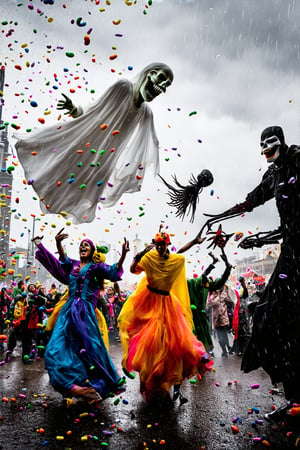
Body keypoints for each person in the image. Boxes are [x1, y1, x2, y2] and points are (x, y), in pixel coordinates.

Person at [201, 125, 300, 422]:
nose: (265, 153)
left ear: (280, 143)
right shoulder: (274, 175)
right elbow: (252, 200)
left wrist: (266, 238)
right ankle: (295, 396)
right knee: (272, 322)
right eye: (262, 149)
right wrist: (221, 215)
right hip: (291, 254)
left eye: (269, 146)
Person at [15, 63, 173, 224]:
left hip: (103, 161)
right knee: (58, 172)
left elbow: (150, 143)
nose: (163, 86)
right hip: (85, 144)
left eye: (167, 85)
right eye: (161, 78)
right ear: (150, 74)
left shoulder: (145, 113)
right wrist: (74, 109)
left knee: (79, 193)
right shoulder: (124, 88)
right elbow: (94, 109)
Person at [32, 228, 130, 404]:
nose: (83, 247)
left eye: (87, 245)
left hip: (84, 315)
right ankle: (77, 388)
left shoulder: (97, 267)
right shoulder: (74, 265)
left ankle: (91, 387)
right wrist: (55, 244)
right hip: (67, 312)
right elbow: (60, 262)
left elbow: (114, 271)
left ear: (93, 251)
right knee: (54, 350)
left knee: (88, 352)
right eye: (81, 245)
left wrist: (123, 255)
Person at [118, 230, 213, 406]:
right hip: (148, 303)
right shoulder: (149, 258)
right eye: (158, 244)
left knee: (171, 342)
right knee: (146, 342)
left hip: (168, 304)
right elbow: (133, 270)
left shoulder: (175, 260)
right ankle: (147, 380)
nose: (161, 247)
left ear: (167, 244)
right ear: (155, 244)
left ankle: (167, 380)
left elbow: (180, 253)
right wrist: (141, 253)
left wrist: (194, 241)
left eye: (164, 244)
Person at [187, 250, 232, 356]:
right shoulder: (192, 283)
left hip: (202, 317)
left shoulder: (207, 285)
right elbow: (202, 276)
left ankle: (205, 353)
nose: (206, 283)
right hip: (191, 316)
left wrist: (228, 268)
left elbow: (220, 282)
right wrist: (213, 264)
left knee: (205, 335)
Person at [207, 284, 234, 357]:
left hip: (223, 319)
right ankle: (224, 350)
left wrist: (225, 308)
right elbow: (209, 304)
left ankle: (226, 349)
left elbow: (231, 302)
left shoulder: (223, 295)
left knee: (223, 335)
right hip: (216, 320)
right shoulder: (212, 297)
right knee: (220, 336)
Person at [230, 277, 251, 356]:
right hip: (237, 317)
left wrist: (243, 284)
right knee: (238, 333)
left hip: (242, 316)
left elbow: (245, 294)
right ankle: (239, 349)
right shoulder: (234, 300)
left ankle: (243, 349)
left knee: (244, 332)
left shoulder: (242, 297)